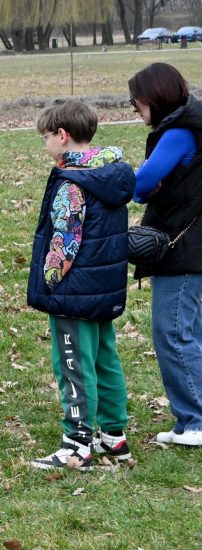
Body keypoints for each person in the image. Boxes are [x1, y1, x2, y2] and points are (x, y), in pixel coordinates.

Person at [27, 99, 135, 470]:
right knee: (105, 359)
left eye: (45, 137)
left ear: (62, 135)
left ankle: (77, 443)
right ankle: (114, 437)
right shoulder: (110, 173)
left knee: (72, 363)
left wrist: (49, 281)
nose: (45, 145)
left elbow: (66, 241)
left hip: (74, 292)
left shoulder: (70, 183)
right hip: (103, 287)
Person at [129, 62, 202, 446]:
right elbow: (147, 187)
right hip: (191, 243)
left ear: (155, 96)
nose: (134, 107)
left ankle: (196, 420)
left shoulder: (178, 132)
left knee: (172, 333)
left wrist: (143, 186)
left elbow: (141, 182)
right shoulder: (192, 123)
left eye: (135, 100)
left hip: (182, 247)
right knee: (189, 331)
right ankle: (190, 419)